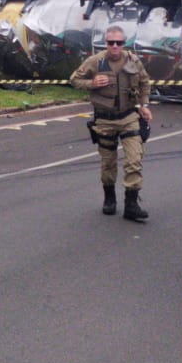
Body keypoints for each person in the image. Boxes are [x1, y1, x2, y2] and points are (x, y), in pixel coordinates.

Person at [68, 25, 153, 222]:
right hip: (104, 119)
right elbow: (74, 79)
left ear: (124, 43)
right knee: (108, 163)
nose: (115, 46)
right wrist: (92, 84)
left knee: (134, 159)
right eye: (110, 43)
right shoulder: (96, 62)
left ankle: (131, 204)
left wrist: (145, 105)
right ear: (105, 43)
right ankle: (109, 198)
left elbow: (144, 82)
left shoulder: (133, 60)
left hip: (129, 117)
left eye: (119, 43)